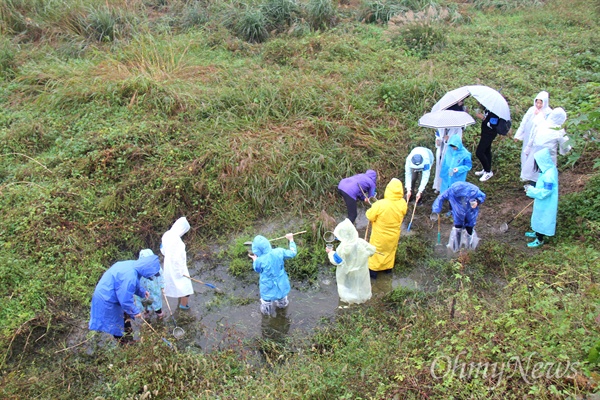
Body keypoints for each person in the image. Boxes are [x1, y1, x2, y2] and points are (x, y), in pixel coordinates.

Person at [89, 254, 160, 344]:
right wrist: (135, 311)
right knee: (116, 324)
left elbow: (132, 285)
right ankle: (125, 344)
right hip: (106, 299)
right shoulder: (129, 276)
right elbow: (125, 300)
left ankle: (129, 338)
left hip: (113, 293)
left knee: (125, 319)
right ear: (147, 270)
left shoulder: (134, 266)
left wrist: (142, 292)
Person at [326, 218, 376, 304]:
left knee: (349, 286)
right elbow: (372, 251)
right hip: (361, 272)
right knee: (359, 285)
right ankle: (362, 299)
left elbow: (337, 260)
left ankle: (350, 301)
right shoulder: (360, 242)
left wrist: (330, 252)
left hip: (347, 273)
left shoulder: (343, 248)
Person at [366, 178, 407, 278]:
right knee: (390, 251)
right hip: (394, 235)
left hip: (380, 236)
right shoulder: (403, 203)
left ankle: (374, 275)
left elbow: (370, 216)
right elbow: (404, 213)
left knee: (376, 252)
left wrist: (371, 208)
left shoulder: (380, 204)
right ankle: (388, 271)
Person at [249, 233, 297, 316]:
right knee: (282, 299)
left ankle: (266, 317)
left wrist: (255, 260)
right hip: (281, 283)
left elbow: (257, 269)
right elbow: (293, 253)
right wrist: (291, 240)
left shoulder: (259, 260)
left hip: (267, 286)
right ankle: (283, 313)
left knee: (266, 303)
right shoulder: (279, 251)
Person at [432, 181, 486, 252]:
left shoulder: (472, 190)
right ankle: (456, 248)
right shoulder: (451, 191)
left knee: (469, 228)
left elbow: (482, 196)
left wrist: (477, 202)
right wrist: (436, 210)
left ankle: (469, 248)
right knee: (458, 228)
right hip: (458, 213)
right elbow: (440, 198)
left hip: (470, 212)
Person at [521, 107, 570, 184]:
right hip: (548, 155)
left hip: (536, 152)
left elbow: (532, 137)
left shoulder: (542, 124)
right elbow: (565, 144)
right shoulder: (559, 130)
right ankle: (545, 192)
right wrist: (567, 150)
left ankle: (534, 190)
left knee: (535, 172)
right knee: (547, 174)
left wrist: (528, 149)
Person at [524, 148, 559, 248]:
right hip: (541, 200)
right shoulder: (549, 169)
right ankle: (536, 231)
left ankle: (540, 239)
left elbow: (546, 192)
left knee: (543, 218)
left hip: (546, 202)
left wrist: (531, 191)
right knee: (538, 216)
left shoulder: (549, 175)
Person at [514, 91, 552, 182]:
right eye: (537, 102)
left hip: (538, 138)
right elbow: (524, 122)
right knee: (526, 153)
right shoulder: (531, 110)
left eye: (541, 102)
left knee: (534, 156)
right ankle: (525, 174)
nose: (538, 105)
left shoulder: (548, 112)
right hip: (528, 136)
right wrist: (518, 135)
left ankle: (534, 176)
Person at [433, 100, 467, 193]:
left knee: (448, 170)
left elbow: (457, 142)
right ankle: (438, 186)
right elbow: (437, 135)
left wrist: (449, 140)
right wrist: (438, 140)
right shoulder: (440, 126)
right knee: (439, 168)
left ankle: (449, 187)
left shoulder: (457, 128)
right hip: (441, 150)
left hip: (450, 154)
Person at [161, 217, 194, 310]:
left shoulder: (166, 235)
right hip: (178, 268)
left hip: (168, 264)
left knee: (177, 283)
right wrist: (181, 271)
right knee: (186, 288)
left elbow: (162, 249)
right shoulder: (177, 241)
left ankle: (180, 299)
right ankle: (183, 306)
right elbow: (179, 258)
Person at [133, 249, 165, 319]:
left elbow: (161, 277)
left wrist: (162, 287)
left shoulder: (157, 267)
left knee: (157, 306)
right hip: (142, 293)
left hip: (154, 291)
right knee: (145, 306)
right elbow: (134, 282)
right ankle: (146, 315)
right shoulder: (137, 269)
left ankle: (159, 315)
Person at [474, 107, 502, 182]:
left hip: (489, 134)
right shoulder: (488, 109)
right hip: (485, 132)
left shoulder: (495, 112)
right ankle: (486, 169)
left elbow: (492, 125)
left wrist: (482, 118)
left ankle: (488, 172)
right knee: (486, 151)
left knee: (479, 152)